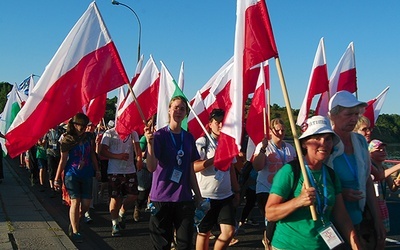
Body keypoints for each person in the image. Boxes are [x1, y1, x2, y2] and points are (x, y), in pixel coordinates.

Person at [266, 115, 360, 249]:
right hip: (288, 246)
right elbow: (270, 214)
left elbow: (341, 216)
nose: (324, 143)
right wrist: (299, 201)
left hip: (323, 245)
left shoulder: (331, 175)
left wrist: (355, 243)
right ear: (304, 143)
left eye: (328, 139)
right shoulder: (290, 171)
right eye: (317, 138)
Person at [327, 90, 386, 249]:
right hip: (332, 220)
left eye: (356, 114)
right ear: (333, 115)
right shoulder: (325, 142)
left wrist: (377, 219)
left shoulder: (359, 141)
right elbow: (318, 182)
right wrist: (341, 193)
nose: (354, 119)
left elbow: (367, 181)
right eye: (348, 114)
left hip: (359, 217)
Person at [144, 95, 202, 250]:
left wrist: (198, 195)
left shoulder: (189, 138)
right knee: (162, 245)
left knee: (185, 244)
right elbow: (151, 167)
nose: (179, 111)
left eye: (182, 109)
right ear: (169, 110)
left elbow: (190, 170)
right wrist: (150, 144)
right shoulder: (159, 136)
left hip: (183, 198)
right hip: (162, 198)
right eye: (176, 107)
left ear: (185, 114)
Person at [194, 109, 241, 250]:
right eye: (217, 122)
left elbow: (232, 168)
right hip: (206, 196)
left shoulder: (228, 142)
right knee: (204, 233)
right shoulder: (202, 142)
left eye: (223, 122)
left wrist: (237, 190)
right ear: (210, 124)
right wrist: (212, 161)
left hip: (225, 195)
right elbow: (194, 166)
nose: (220, 125)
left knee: (229, 232)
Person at [54, 113, 100, 243]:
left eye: (84, 125)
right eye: (80, 125)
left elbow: (92, 154)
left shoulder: (89, 137)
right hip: (71, 174)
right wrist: (57, 178)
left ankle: (75, 220)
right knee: (75, 201)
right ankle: (75, 231)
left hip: (86, 173)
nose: (82, 128)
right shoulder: (67, 140)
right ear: (74, 125)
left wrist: (97, 170)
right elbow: (62, 160)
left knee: (85, 204)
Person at [252, 118, 296, 246]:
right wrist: (263, 149)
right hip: (266, 189)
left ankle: (273, 241)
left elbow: (294, 167)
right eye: (277, 130)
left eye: (282, 130)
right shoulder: (264, 146)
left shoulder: (289, 148)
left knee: (282, 220)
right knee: (272, 219)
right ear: (271, 131)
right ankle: (269, 242)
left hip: (284, 189)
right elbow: (257, 166)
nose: (280, 132)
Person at [100, 123, 142, 237]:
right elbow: (102, 151)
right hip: (114, 170)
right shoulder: (109, 133)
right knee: (115, 198)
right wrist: (118, 156)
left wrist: (139, 159)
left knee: (133, 195)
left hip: (130, 170)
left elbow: (138, 149)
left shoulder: (133, 133)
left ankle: (122, 212)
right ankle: (114, 223)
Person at [368, 139, 400, 234]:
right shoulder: (369, 166)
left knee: (383, 233)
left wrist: (396, 184)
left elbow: (392, 188)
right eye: (378, 150)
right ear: (370, 153)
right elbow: (379, 175)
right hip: (372, 205)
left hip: (382, 204)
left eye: (384, 150)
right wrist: (398, 166)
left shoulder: (384, 168)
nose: (382, 152)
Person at [46, 126, 62, 197]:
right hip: (50, 153)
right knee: (51, 170)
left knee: (58, 169)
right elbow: (44, 143)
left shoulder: (60, 130)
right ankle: (52, 188)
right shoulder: (47, 132)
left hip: (58, 153)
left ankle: (59, 186)